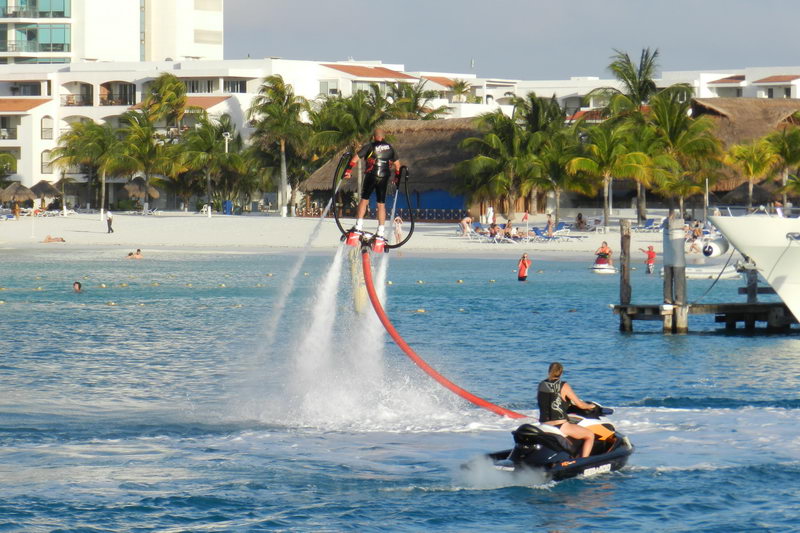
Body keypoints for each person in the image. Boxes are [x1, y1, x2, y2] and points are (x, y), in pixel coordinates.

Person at [343, 128, 401, 244]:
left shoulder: (370, 146)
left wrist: (348, 171)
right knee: (381, 205)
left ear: (374, 137)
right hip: (384, 177)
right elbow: (398, 165)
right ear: (383, 137)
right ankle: (380, 231)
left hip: (371, 175)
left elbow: (355, 158)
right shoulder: (390, 148)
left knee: (364, 200)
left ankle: (358, 226)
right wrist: (396, 178)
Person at [538, 362, 596, 459]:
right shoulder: (563, 385)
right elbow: (581, 405)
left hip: (544, 425)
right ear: (561, 372)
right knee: (590, 435)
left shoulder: (541, 385)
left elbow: (543, 401)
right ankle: (583, 462)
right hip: (559, 425)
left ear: (549, 371)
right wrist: (591, 406)